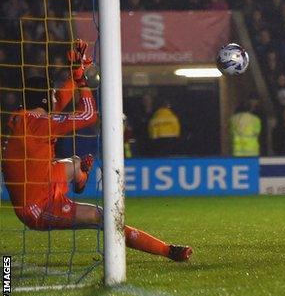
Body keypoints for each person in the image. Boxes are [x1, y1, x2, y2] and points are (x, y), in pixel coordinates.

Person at [1, 40, 193, 262]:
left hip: (41, 180)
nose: (56, 97)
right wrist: (82, 81)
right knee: (101, 217)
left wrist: (76, 71)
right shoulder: (39, 124)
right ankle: (168, 250)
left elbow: (60, 99)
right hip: (37, 206)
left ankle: (81, 177)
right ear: (44, 99)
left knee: (74, 162)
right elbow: (88, 115)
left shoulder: (26, 118)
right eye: (52, 94)